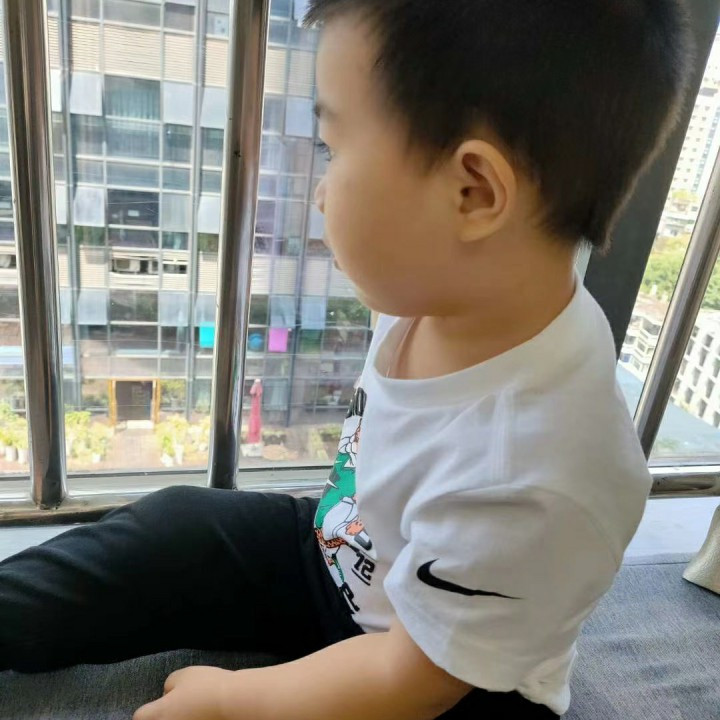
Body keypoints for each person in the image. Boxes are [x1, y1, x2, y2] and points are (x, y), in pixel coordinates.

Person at [0, 1, 692, 718]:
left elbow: (410, 682)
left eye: (334, 149)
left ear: (473, 192)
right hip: (345, 557)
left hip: (454, 676)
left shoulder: (543, 470)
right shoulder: (455, 285)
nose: (321, 191)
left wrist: (237, 700)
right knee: (179, 527)